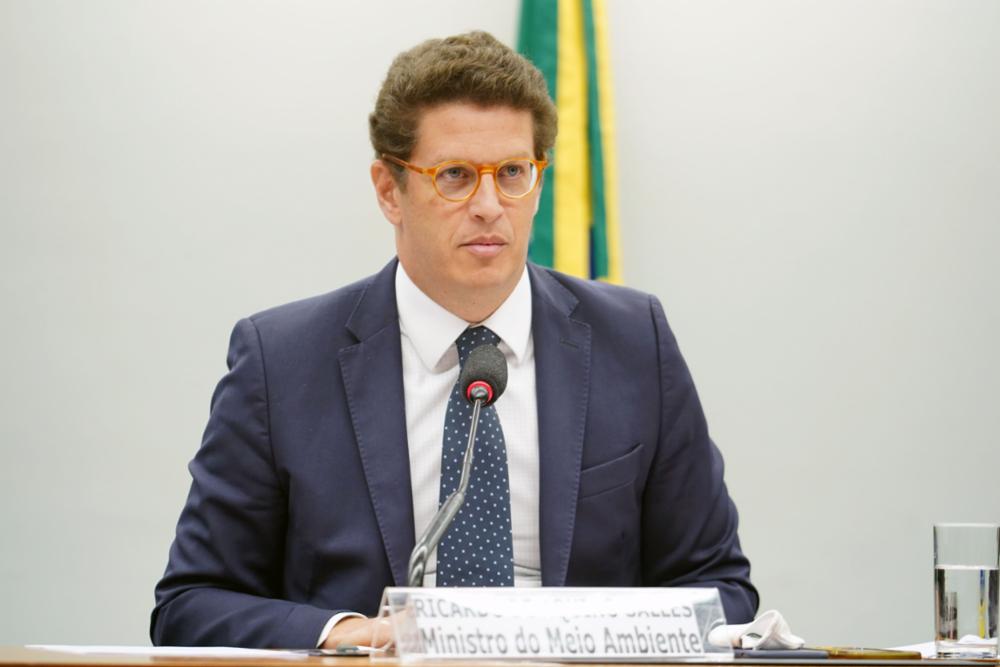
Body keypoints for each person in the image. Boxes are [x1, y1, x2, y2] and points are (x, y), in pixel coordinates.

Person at [151, 30, 757, 649]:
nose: (490, 205)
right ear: (390, 190)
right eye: (456, 176)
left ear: (539, 181)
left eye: (514, 173)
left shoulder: (634, 340)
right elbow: (191, 603)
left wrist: (597, 636)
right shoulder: (281, 361)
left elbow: (719, 587)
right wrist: (343, 633)